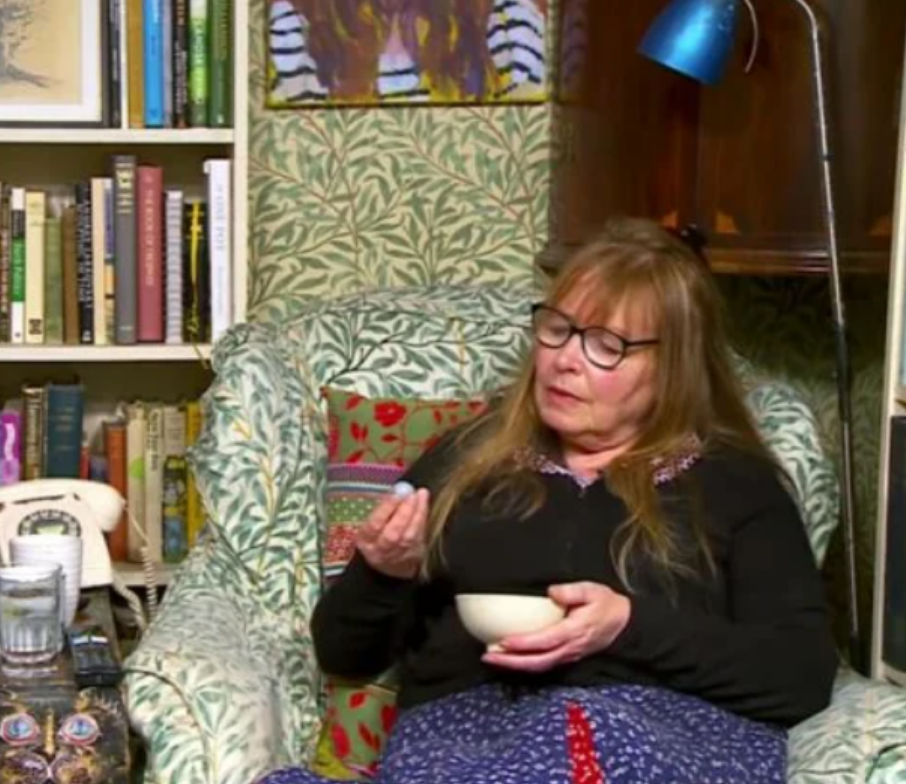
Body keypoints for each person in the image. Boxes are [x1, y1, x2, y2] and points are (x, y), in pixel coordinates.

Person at [262, 219, 837, 784]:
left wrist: (628, 627)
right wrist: (382, 573)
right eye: (557, 328)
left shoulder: (735, 483)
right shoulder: (465, 461)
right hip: (463, 741)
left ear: (673, 369)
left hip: (665, 737)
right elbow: (343, 653)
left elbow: (799, 676)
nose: (565, 359)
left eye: (606, 345)